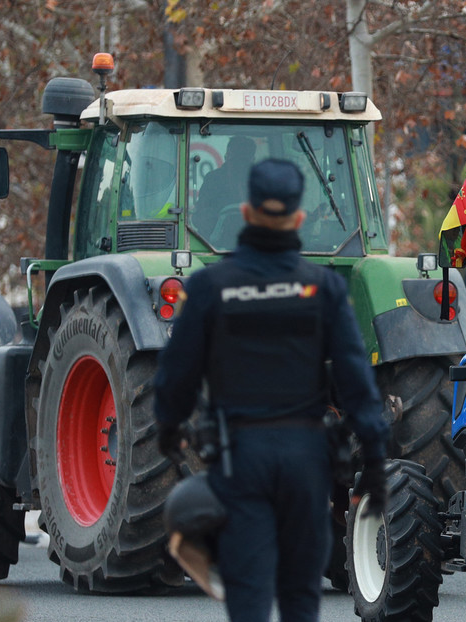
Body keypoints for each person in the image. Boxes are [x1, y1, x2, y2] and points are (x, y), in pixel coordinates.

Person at [153, 158, 391, 622]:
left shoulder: (209, 287)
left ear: (246, 212)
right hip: (307, 461)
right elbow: (356, 383)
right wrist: (376, 463)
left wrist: (168, 428)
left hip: (241, 460)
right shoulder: (323, 288)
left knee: (249, 595)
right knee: (301, 595)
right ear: (299, 218)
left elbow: (176, 374)